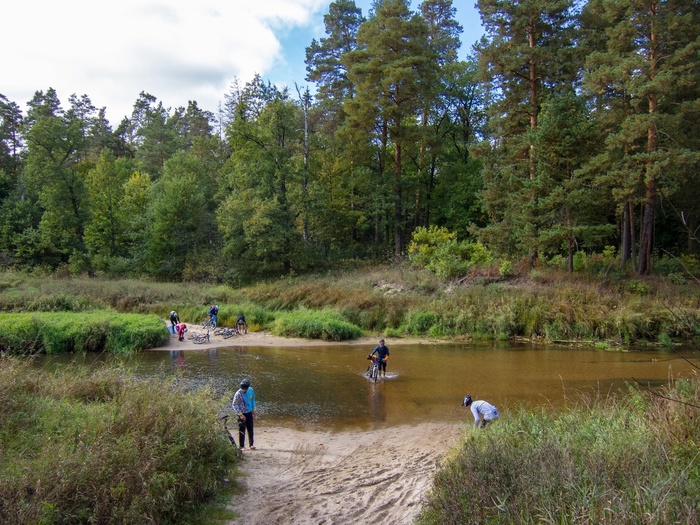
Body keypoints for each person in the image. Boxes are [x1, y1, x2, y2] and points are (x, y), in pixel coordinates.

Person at [231, 378, 256, 450]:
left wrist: (254, 409)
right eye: (243, 389)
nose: (244, 390)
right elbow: (234, 405)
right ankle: (242, 446)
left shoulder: (251, 390)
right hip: (242, 414)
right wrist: (240, 414)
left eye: (245, 389)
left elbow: (253, 400)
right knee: (242, 430)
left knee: (250, 429)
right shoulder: (238, 394)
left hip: (249, 412)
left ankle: (251, 444)